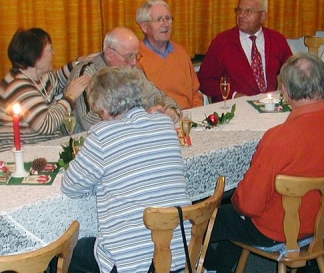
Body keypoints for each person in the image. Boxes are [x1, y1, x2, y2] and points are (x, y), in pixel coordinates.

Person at [204, 52, 324, 272]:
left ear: (285, 93)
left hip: (277, 232)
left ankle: (207, 267)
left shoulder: (279, 138)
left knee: (212, 215)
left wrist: (233, 199)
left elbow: (248, 205)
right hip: (321, 225)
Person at [61, 67, 191, 273]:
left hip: (134, 264)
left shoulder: (102, 135)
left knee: (67, 254)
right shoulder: (165, 124)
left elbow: (70, 186)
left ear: (102, 108)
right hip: (181, 256)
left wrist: (102, 183)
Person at [69, 27, 180, 131]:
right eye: (128, 57)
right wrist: (141, 118)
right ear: (109, 54)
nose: (134, 62)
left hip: (130, 135)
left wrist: (171, 109)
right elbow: (88, 121)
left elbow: (156, 96)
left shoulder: (132, 71)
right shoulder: (86, 73)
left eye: (136, 56)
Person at [0, 28, 90, 151]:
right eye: (50, 49)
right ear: (35, 56)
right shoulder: (17, 86)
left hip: (44, 147)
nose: (54, 53)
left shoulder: (39, 77)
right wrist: (69, 97)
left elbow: (57, 78)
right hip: (21, 154)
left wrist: (78, 62)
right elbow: (46, 125)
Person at [198, 0, 292, 102]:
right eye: (239, 10)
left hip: (269, 106)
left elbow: (293, 73)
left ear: (262, 16)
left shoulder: (277, 40)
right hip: (235, 107)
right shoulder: (222, 42)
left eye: (248, 11)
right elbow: (204, 80)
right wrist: (233, 95)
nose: (241, 16)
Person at [135, 0, 204, 109]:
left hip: (188, 118)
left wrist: (196, 113)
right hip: (160, 121)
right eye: (159, 20)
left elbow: (195, 92)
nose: (165, 24)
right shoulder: (135, 58)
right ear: (144, 27)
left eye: (168, 18)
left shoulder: (180, 52)